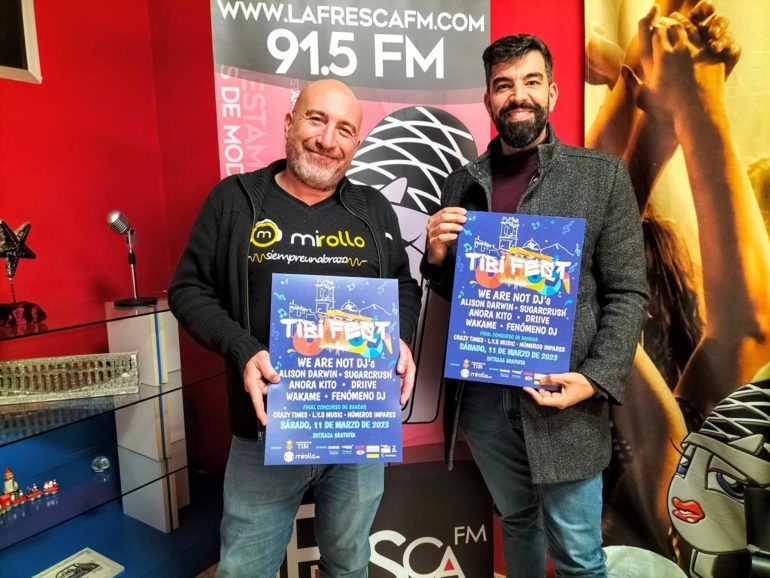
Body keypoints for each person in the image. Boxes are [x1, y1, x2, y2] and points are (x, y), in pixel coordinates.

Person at [169, 79, 421, 578]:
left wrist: (402, 338)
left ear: (356, 143)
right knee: (244, 569)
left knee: (348, 564)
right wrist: (241, 347)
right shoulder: (235, 200)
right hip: (263, 430)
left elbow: (403, 287)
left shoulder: (373, 209)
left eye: (344, 130)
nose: (328, 140)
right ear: (289, 123)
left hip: (355, 430)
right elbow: (188, 290)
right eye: (316, 119)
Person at [421, 35, 649, 577]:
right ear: (488, 99)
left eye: (530, 81)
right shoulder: (462, 182)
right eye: (503, 85)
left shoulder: (601, 176)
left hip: (562, 400)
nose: (517, 95)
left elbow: (628, 292)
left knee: (578, 557)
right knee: (518, 522)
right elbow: (466, 294)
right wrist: (436, 258)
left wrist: (594, 379)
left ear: (553, 92)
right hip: (483, 400)